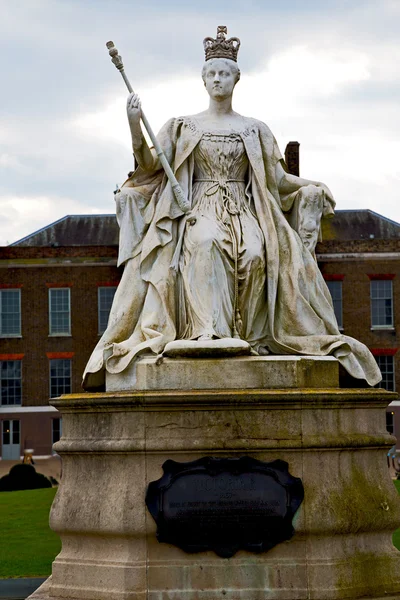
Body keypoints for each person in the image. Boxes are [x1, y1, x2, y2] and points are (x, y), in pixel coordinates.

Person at [83, 27, 381, 390]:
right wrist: (134, 125)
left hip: (244, 210)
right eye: (212, 73)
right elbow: (148, 166)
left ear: (236, 79)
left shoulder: (254, 129)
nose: (218, 79)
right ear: (203, 80)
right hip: (198, 207)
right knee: (206, 244)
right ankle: (208, 332)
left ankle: (252, 337)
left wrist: (312, 185)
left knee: (257, 253)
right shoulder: (182, 126)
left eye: (225, 73)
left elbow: (277, 180)